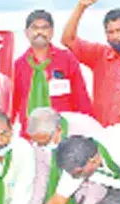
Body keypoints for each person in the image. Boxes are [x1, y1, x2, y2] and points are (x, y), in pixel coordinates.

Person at [61, 1, 120, 127]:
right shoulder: (98, 55)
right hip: (104, 133)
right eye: (110, 32)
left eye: (119, 30)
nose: (116, 36)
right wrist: (81, 7)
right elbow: (67, 40)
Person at [24, 108, 107, 204]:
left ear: (58, 130)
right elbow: (40, 181)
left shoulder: (87, 129)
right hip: (65, 182)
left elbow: (101, 171)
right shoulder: (39, 142)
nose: (42, 146)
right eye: (38, 143)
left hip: (97, 181)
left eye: (45, 142)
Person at [10, 9, 93, 140]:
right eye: (34, 28)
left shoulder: (66, 59)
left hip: (63, 132)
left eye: (44, 28)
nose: (40, 32)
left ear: (52, 32)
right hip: (30, 136)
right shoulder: (18, 65)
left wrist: (89, 131)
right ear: (26, 33)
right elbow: (12, 103)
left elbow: (81, 97)